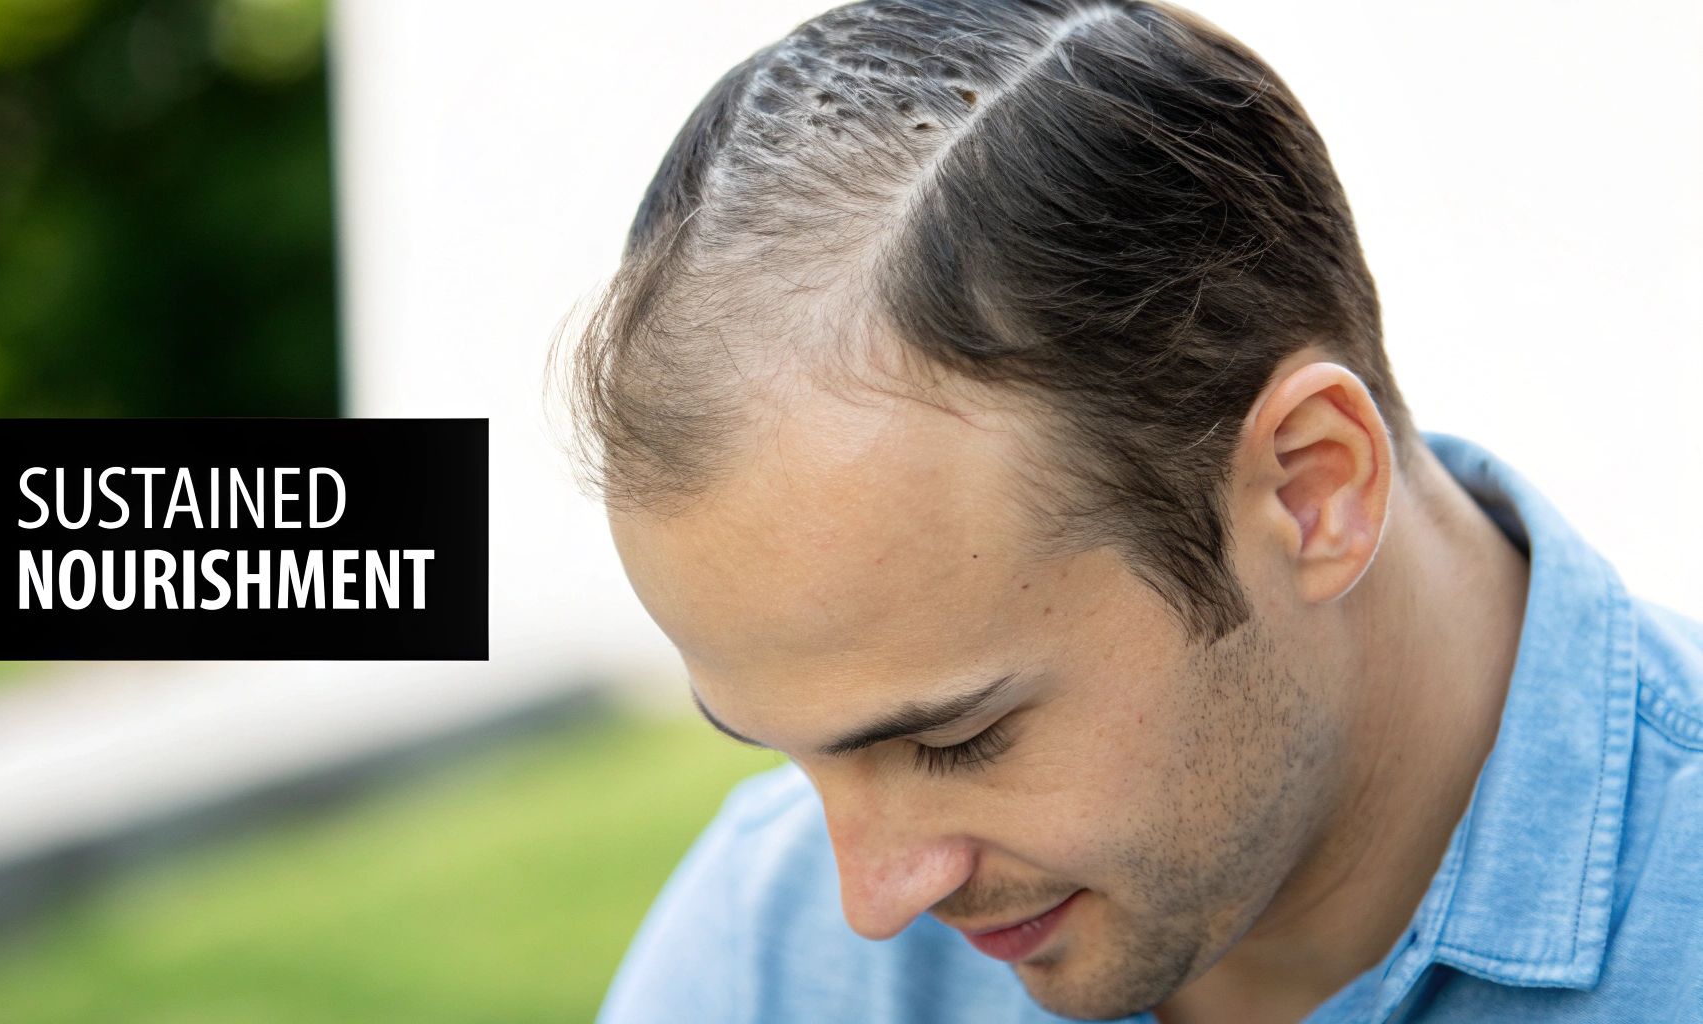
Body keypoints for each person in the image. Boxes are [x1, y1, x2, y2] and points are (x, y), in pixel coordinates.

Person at [553, 1, 1703, 1020]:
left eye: (958, 740)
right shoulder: (764, 947)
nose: (868, 902)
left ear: (1311, 489)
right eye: (792, 756)